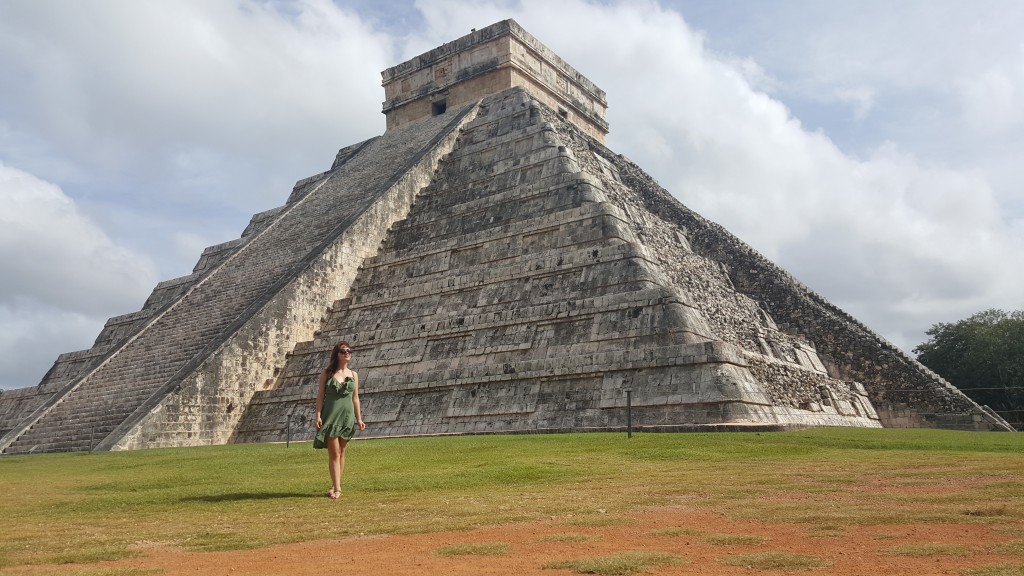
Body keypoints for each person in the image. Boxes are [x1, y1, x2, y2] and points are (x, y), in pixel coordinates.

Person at [314, 341, 366, 499]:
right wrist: (317, 415)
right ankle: (337, 489)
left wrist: (359, 418)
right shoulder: (327, 374)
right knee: (334, 453)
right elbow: (320, 396)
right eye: (344, 351)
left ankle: (335, 485)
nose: (347, 353)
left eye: (349, 351)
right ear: (337, 354)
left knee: (342, 452)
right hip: (330, 416)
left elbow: (355, 398)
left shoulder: (354, 375)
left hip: (346, 417)